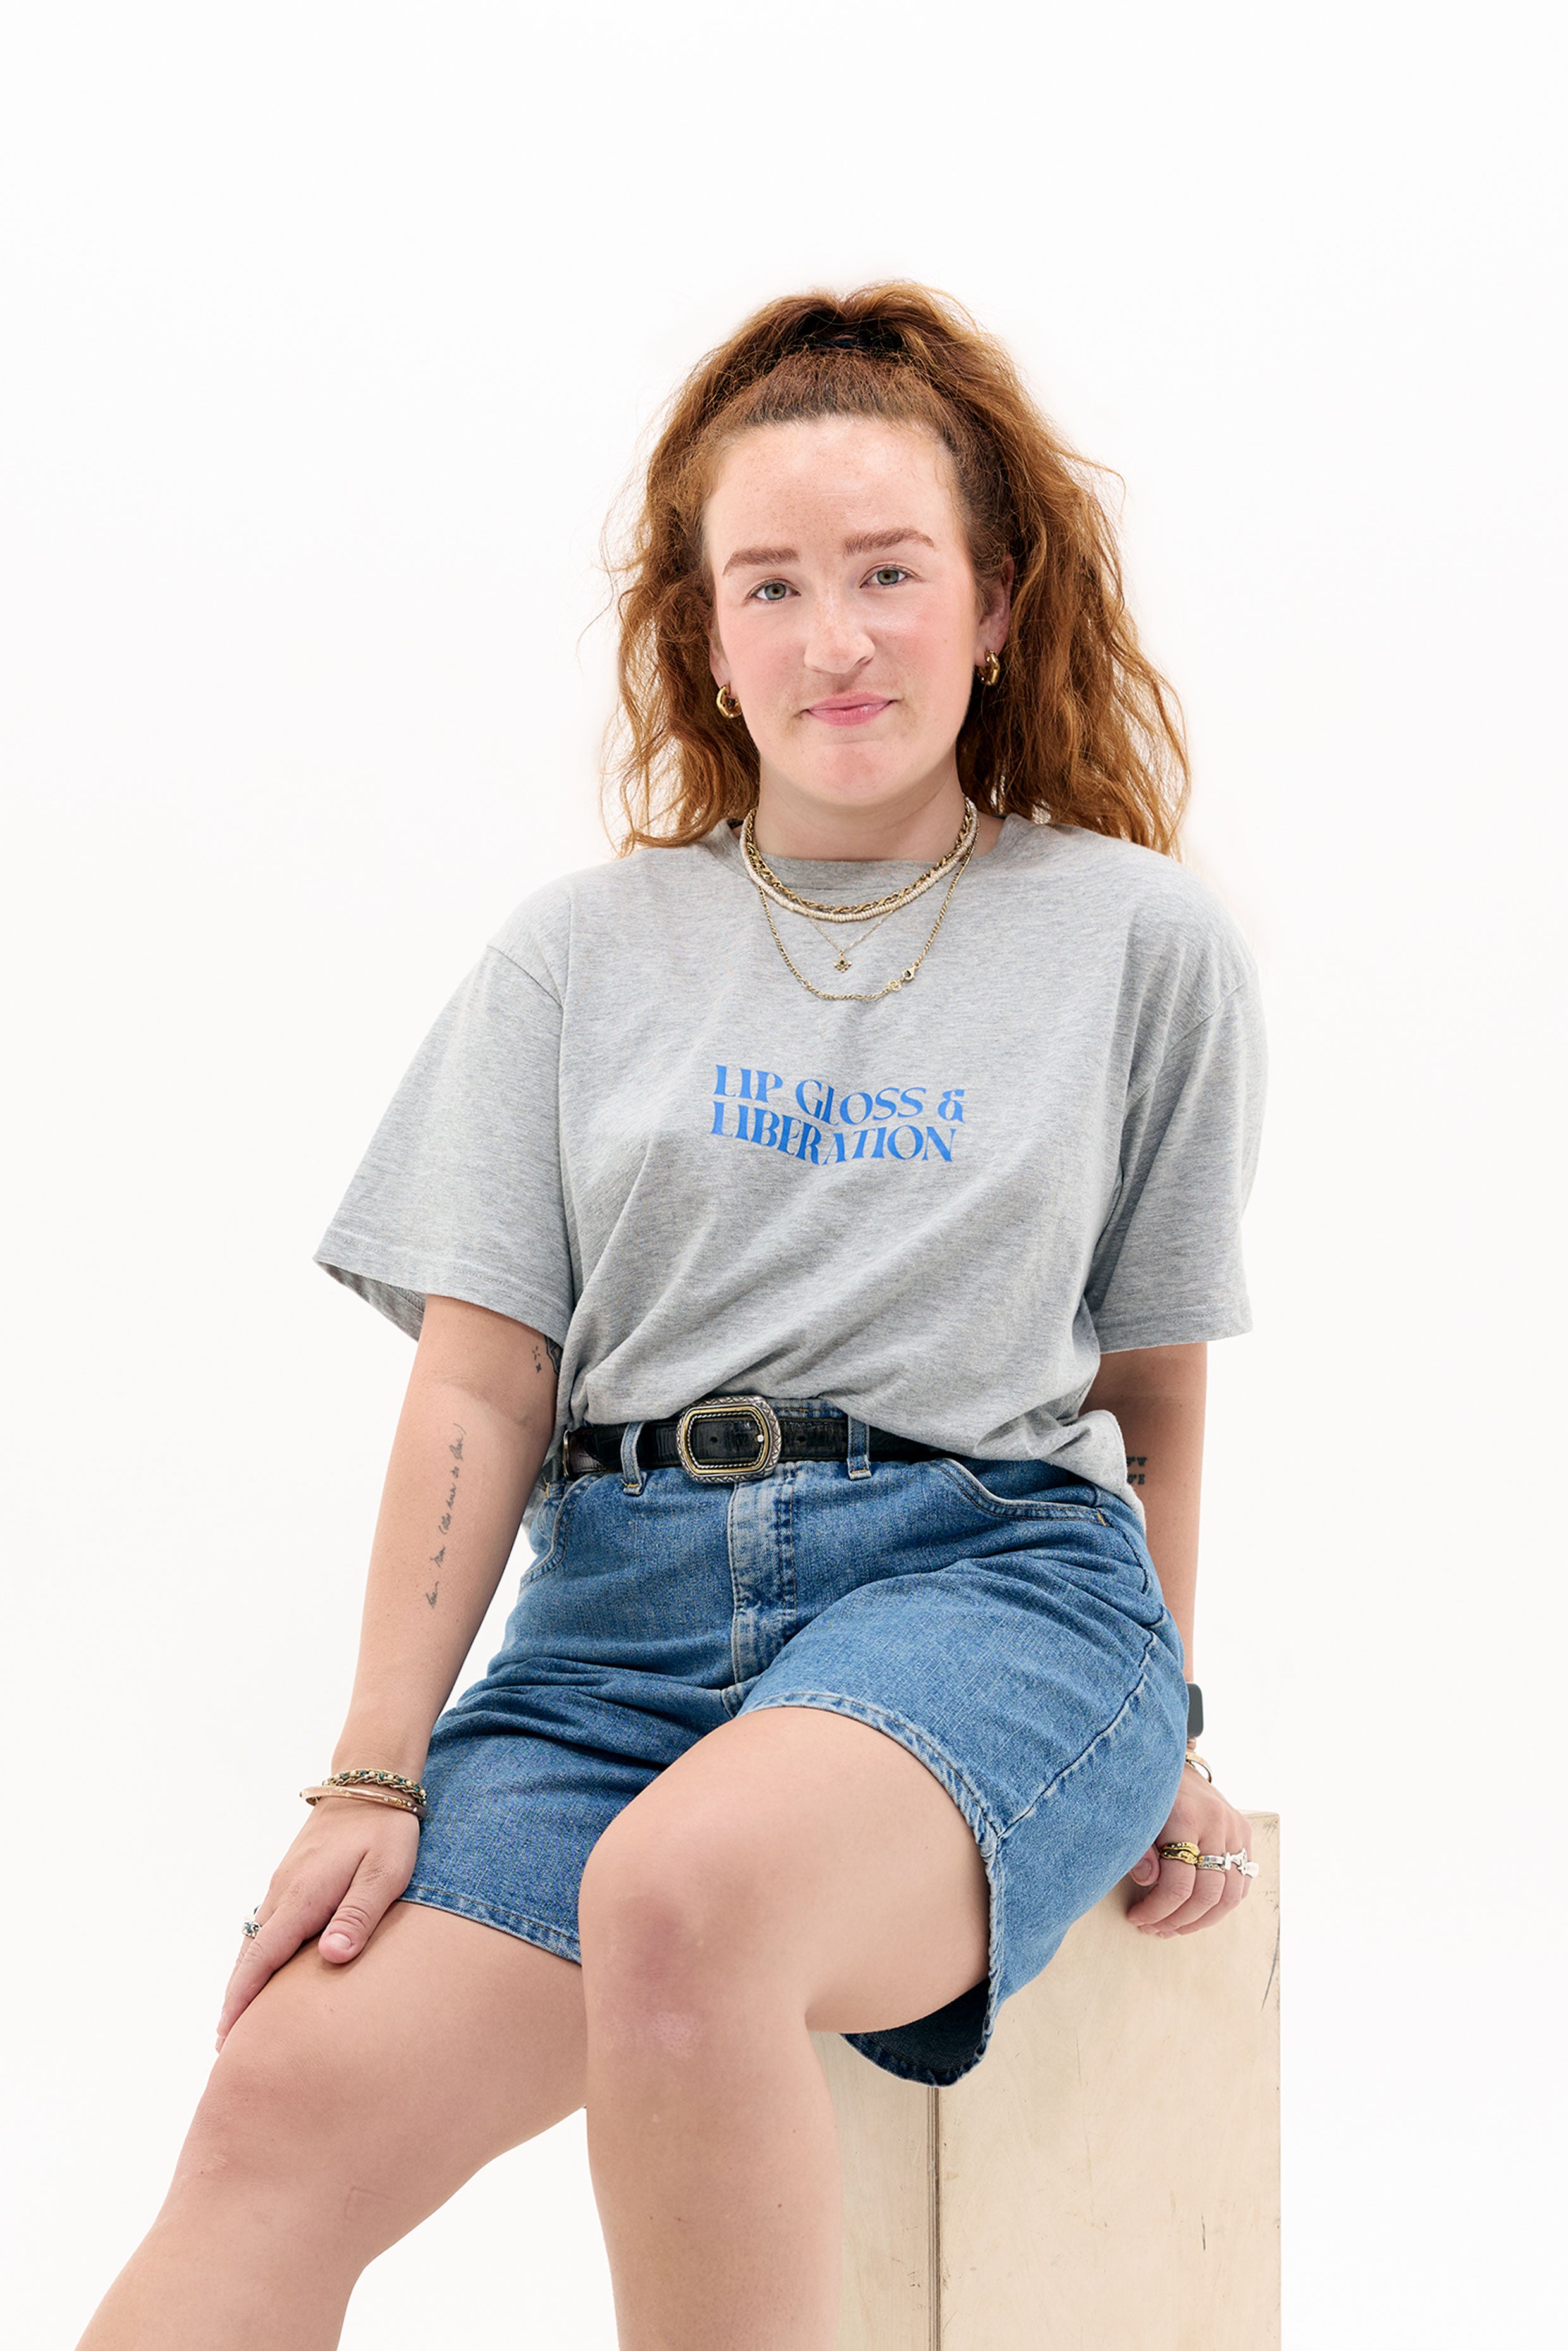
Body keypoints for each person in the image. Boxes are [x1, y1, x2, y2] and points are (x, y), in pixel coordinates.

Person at [78, 281, 1266, 2351]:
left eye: (889, 573)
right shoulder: (576, 956)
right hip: (615, 1631)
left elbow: (1149, 1386)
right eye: (771, 585)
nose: (835, 639)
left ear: (996, 603)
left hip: (989, 1588)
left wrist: (1153, 1719)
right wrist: (373, 1772)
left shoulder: (1136, 941)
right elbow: (480, 1382)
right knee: (282, 2102)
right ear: (707, 637)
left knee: (687, 1894)